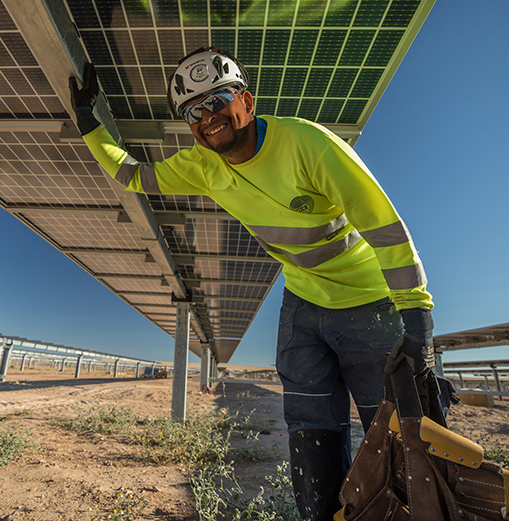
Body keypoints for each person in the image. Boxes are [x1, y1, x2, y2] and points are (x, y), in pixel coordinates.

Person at [69, 47, 435, 520]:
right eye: (193, 111)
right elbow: (132, 174)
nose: (207, 117)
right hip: (302, 305)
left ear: (246, 99)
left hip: (370, 304)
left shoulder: (308, 144)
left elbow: (385, 227)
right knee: (310, 429)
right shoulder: (202, 166)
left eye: (216, 99)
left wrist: (416, 317)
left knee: (401, 433)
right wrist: (88, 121)